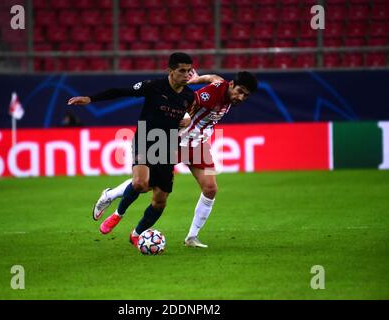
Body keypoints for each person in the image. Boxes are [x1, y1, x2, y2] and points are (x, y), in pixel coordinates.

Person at [93, 69, 258, 248]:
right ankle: (110, 195)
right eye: (240, 91)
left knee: (210, 189)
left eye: (245, 96)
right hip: (176, 141)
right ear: (232, 85)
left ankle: (192, 237)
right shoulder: (212, 94)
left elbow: (212, 77)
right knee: (146, 185)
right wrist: (186, 114)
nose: (240, 97)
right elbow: (188, 100)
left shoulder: (222, 85)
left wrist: (196, 79)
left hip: (199, 145)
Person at [68, 52, 195, 247]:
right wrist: (90, 99)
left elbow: (188, 115)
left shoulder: (189, 95)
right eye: (181, 71)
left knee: (160, 200)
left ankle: (136, 233)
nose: (186, 75)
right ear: (170, 71)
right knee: (140, 183)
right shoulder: (153, 87)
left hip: (167, 146)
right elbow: (121, 91)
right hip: (145, 138)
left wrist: (186, 121)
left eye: (188, 71)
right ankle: (118, 214)